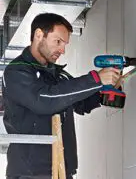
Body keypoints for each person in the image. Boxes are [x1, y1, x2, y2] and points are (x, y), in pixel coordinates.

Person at [1, 13, 121, 179]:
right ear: (38, 35)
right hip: (30, 173)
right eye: (58, 41)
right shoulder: (17, 71)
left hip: (62, 170)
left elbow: (81, 103)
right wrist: (95, 79)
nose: (62, 50)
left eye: (65, 44)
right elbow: (44, 101)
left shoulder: (57, 75)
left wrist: (105, 91)